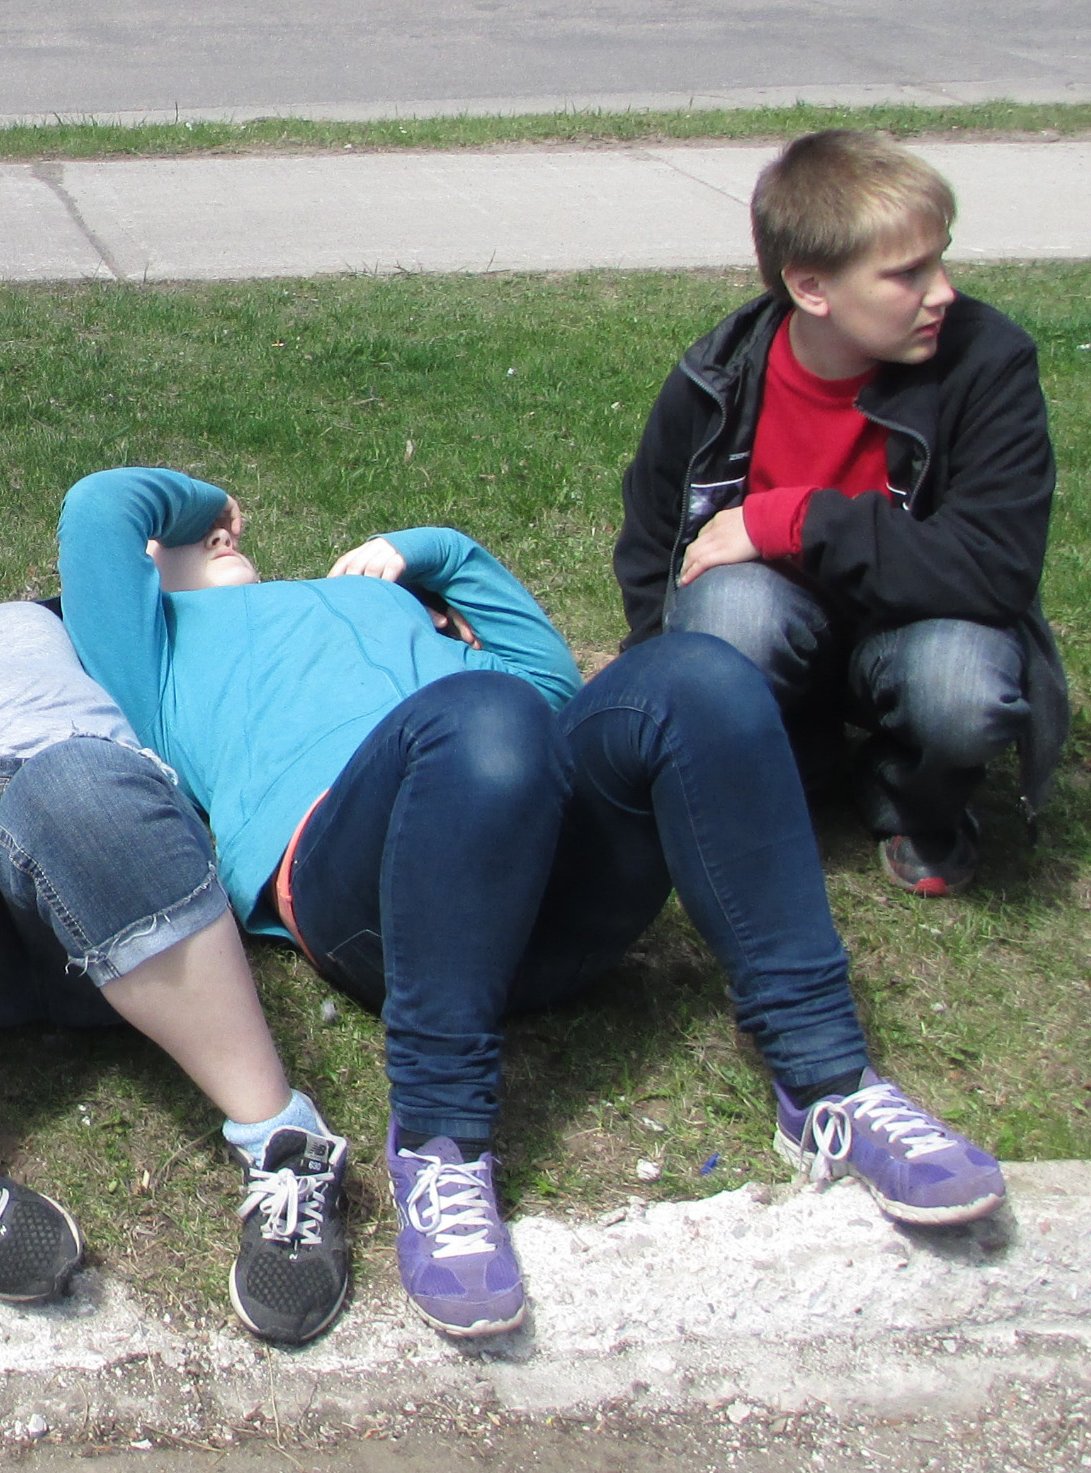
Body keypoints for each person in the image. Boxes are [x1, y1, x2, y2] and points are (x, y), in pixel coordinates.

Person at [59, 465, 1007, 1339]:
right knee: (484, 720)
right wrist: (206, 503)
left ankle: (828, 1080)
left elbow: (550, 683)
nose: (219, 542)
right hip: (370, 889)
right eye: (181, 546)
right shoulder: (157, 658)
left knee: (699, 675)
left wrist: (436, 552)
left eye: (220, 533)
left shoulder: (382, 602)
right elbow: (104, 506)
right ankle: (439, 1139)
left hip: (539, 878)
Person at [0, 495, 355, 1343]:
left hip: (109, 868)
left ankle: (287, 1149)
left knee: (66, 782)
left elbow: (166, 568)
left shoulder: (40, 618)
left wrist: (213, 518)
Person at [615, 129, 1066, 897]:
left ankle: (907, 789)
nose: (944, 291)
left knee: (964, 689)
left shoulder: (988, 364)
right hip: (782, 624)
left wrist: (794, 520)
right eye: (908, 274)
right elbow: (656, 543)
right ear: (811, 288)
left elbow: (995, 568)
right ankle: (789, 755)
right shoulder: (716, 374)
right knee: (724, 613)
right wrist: (659, 692)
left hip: (924, 628)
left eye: (941, 257)